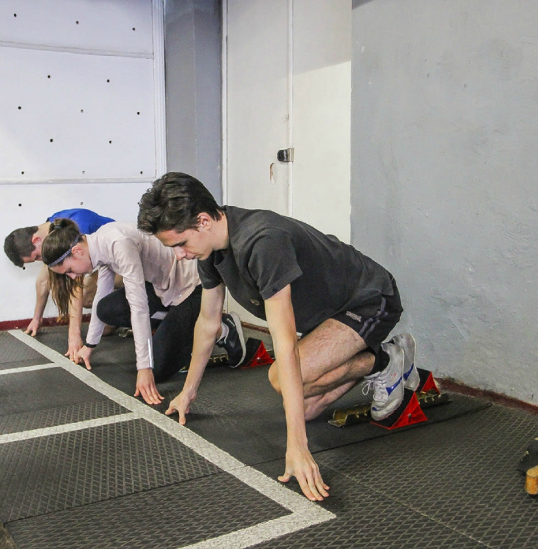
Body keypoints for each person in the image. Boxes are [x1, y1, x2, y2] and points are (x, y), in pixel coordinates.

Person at [137, 172, 418, 502]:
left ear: (203, 221)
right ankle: (374, 359)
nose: (178, 255)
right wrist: (188, 393)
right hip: (329, 316)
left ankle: (385, 361)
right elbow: (208, 323)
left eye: (180, 244)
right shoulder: (210, 250)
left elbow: (284, 343)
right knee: (306, 408)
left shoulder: (262, 242)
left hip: (369, 300)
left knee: (283, 380)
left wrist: (298, 446)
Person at [41, 218, 249, 404]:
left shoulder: (118, 243)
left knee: (155, 368)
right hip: (165, 289)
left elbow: (138, 306)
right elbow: (100, 297)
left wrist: (144, 367)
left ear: (77, 251)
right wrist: (89, 345)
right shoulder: (98, 248)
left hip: (192, 288)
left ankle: (222, 328)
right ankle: (177, 326)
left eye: (69, 271)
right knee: (106, 308)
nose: (72, 277)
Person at [3, 208, 116, 362]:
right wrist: (37, 318)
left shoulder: (74, 227)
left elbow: (76, 287)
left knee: (86, 296)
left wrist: (74, 337)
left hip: (124, 263)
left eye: (37, 257)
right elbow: (43, 280)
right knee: (104, 328)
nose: (40, 260)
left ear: (36, 240)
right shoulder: (51, 226)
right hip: (107, 266)